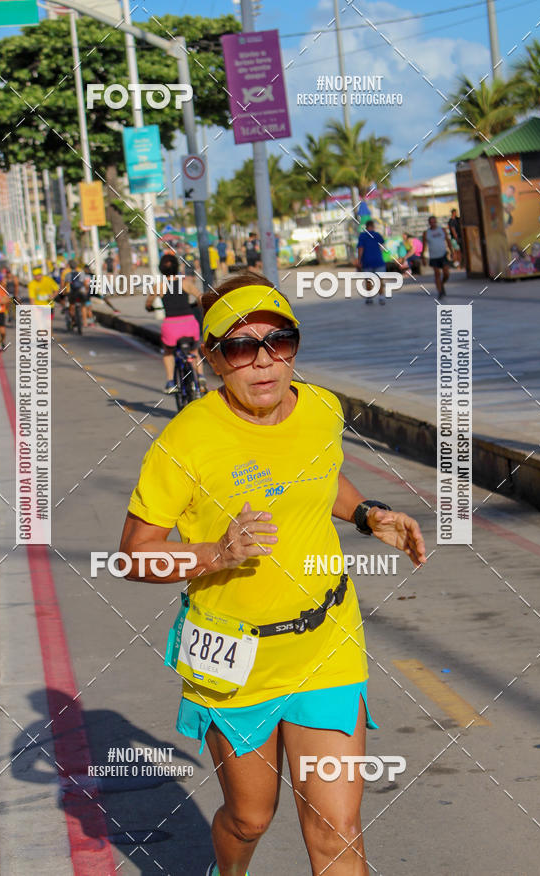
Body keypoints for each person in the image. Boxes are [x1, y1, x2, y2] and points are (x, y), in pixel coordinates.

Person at [120, 271, 426, 876]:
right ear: (211, 360)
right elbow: (134, 553)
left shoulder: (320, 409)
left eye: (278, 341)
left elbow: (319, 478)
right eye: (239, 346)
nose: (262, 362)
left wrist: (366, 514)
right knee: (250, 817)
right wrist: (217, 554)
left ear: (293, 348)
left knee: (335, 826)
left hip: (324, 642)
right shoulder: (186, 442)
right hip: (232, 653)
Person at [145, 252, 205, 393]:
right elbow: (200, 297)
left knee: (168, 352)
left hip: (171, 326)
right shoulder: (185, 283)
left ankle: (170, 382)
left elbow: (148, 303)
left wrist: (150, 308)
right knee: (194, 351)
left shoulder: (159, 287)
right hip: (190, 324)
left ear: (161, 269)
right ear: (177, 267)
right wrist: (197, 305)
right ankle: (201, 377)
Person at [422, 216, 454, 299]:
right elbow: (424, 246)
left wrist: (451, 251)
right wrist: (423, 258)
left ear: (436, 222)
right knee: (437, 274)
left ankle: (442, 284)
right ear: (429, 223)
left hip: (443, 255)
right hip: (433, 256)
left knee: (446, 273)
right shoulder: (426, 233)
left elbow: (448, 241)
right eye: (431, 222)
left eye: (434, 222)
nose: (432, 224)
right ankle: (440, 291)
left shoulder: (442, 230)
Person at [357, 219, 386, 304]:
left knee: (368, 280)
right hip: (378, 260)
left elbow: (360, 248)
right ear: (373, 227)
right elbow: (382, 246)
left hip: (367, 261)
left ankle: (369, 298)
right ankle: (381, 298)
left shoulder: (362, 236)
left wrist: (359, 260)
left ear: (366, 227)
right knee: (380, 280)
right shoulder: (377, 235)